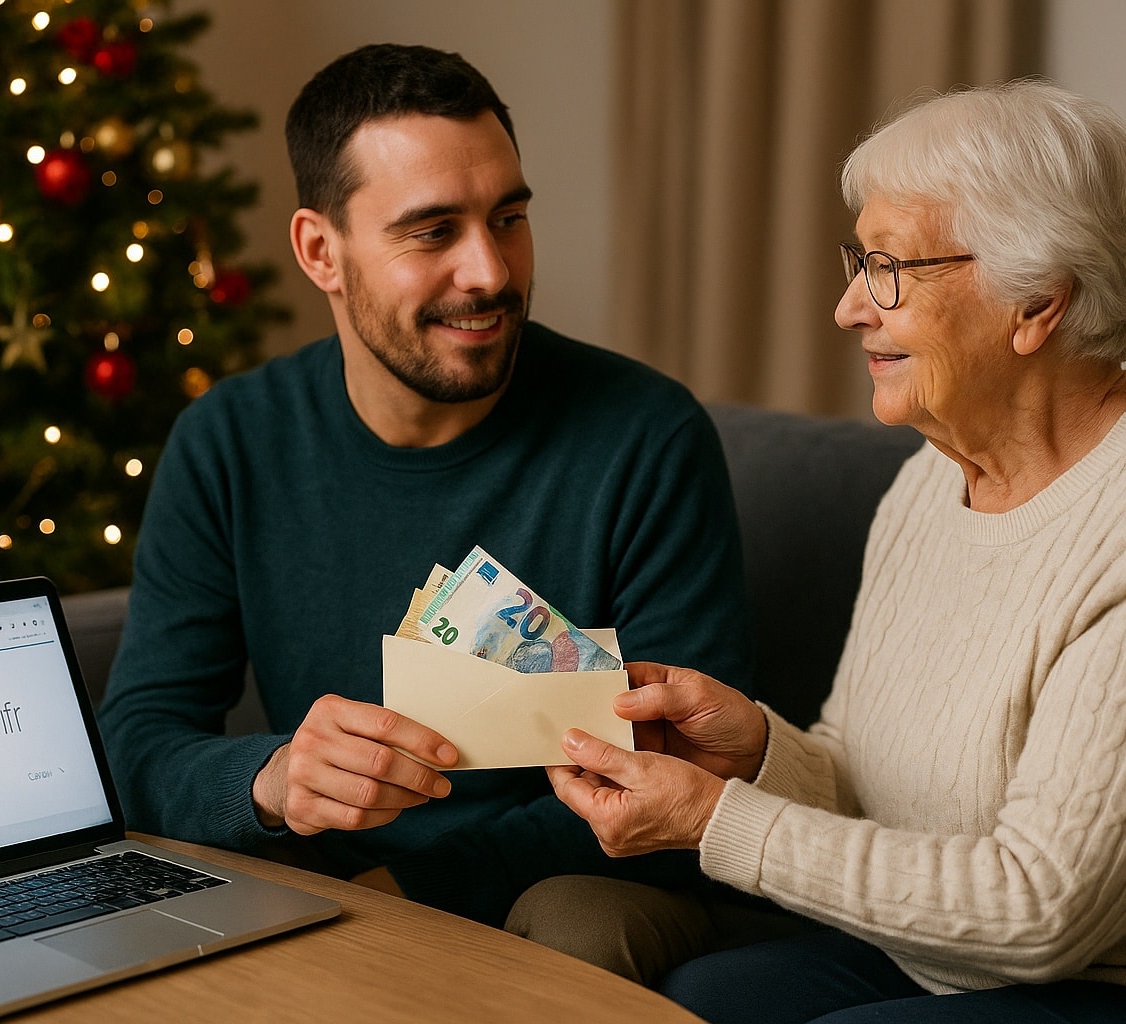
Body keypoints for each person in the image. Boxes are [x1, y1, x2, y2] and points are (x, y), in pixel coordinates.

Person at [546, 79, 1126, 1023]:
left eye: (889, 268)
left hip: (1123, 986)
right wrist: (754, 753)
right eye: (858, 262)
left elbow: (1044, 910)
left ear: (1036, 303)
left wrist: (713, 820)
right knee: (698, 1001)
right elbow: (864, 779)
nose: (848, 308)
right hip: (936, 958)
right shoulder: (926, 482)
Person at [96, 43, 752, 977]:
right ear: (320, 251)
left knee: (577, 924)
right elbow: (138, 740)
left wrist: (404, 892)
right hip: (314, 884)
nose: (489, 271)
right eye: (433, 231)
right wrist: (270, 781)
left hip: (559, 882)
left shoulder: (646, 438)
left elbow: (681, 778)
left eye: (509, 218)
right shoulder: (230, 440)